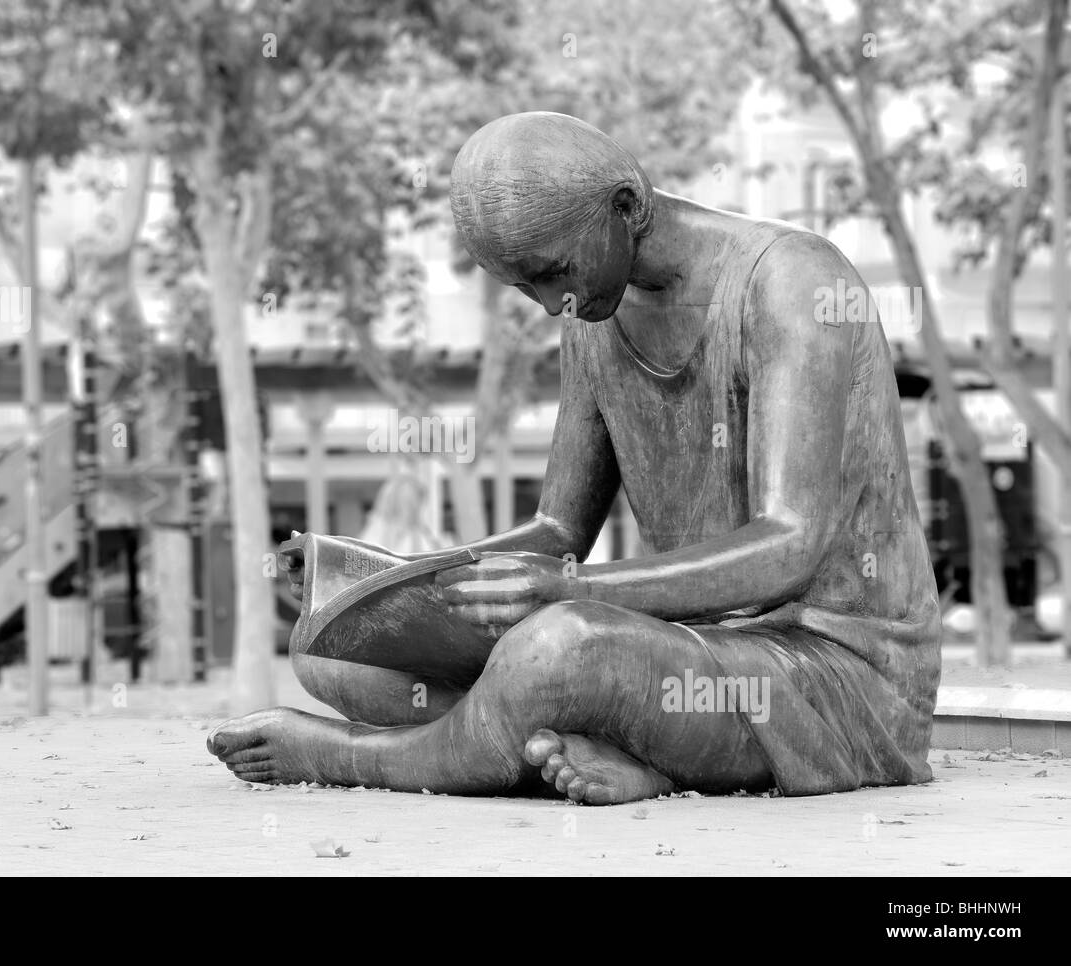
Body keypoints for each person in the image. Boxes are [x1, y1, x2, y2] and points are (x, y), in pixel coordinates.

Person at [207, 112, 941, 804]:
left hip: (827, 674)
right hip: (685, 651)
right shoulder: (589, 312)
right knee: (337, 654)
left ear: (627, 206)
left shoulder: (794, 284)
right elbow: (556, 534)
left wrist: (568, 591)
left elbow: (790, 545)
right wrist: (386, 582)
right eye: (524, 285)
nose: (546, 300)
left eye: (552, 271)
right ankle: (602, 749)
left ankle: (358, 756)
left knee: (557, 648)